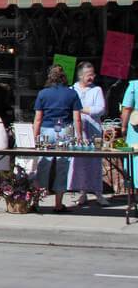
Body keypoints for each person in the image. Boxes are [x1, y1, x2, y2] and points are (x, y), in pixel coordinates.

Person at [33, 64, 83, 213]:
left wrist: (35, 137)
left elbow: (38, 119)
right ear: (64, 77)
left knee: (43, 165)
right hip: (65, 131)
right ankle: (58, 204)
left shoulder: (43, 94)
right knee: (62, 166)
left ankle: (36, 202)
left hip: (46, 131)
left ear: (50, 77)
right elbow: (77, 119)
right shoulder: (72, 94)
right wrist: (79, 136)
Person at [70, 62, 109, 206]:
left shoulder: (97, 90)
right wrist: (84, 109)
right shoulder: (72, 89)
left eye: (93, 74)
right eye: (89, 74)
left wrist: (79, 109)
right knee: (79, 162)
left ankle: (98, 193)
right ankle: (82, 193)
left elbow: (100, 109)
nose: (92, 77)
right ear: (81, 75)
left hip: (94, 130)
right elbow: (69, 108)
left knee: (95, 161)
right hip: (78, 131)